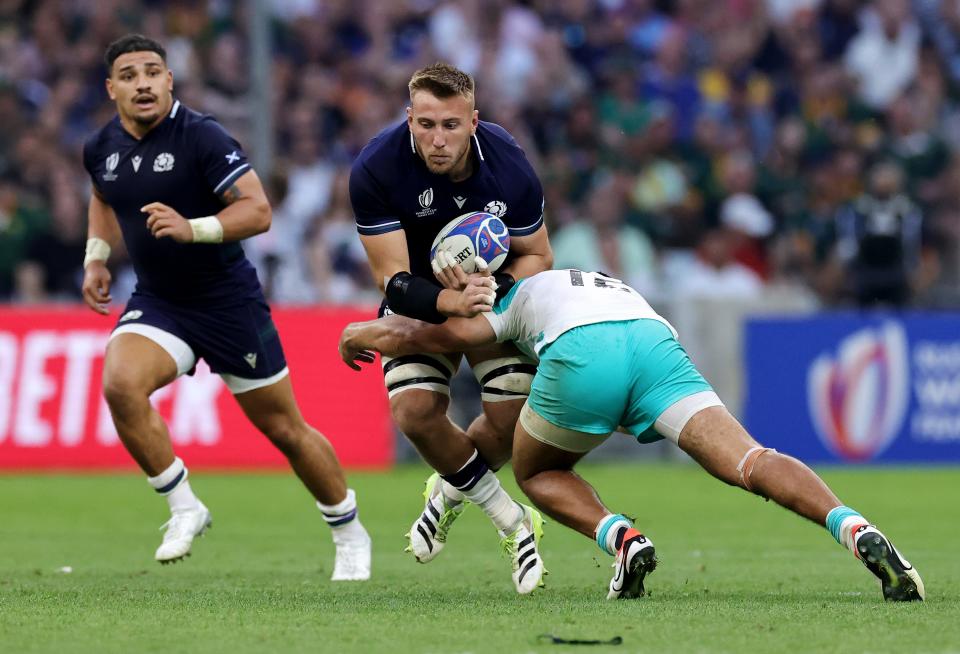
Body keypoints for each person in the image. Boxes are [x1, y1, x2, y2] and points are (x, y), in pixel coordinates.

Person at [338, 269, 925, 602]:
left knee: (537, 472)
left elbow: (436, 337)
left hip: (585, 351)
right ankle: (857, 529)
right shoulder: (584, 275)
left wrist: (362, 331)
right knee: (751, 460)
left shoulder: (510, 302)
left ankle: (623, 541)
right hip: (653, 340)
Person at [80, 34, 370, 580]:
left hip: (227, 304)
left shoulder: (202, 136)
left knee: (286, 430)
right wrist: (97, 258)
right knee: (119, 383)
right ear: (111, 88)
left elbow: (258, 211)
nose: (142, 82)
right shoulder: (101, 147)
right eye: (129, 74)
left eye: (153, 71)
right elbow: (102, 194)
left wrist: (192, 228)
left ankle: (349, 529)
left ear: (169, 80)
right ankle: (184, 505)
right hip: (161, 303)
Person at [349, 62, 553, 593]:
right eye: (425, 125)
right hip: (421, 295)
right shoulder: (377, 167)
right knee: (414, 412)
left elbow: (538, 255)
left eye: (451, 126)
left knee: (512, 419)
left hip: (488, 294)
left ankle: (446, 494)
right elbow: (389, 278)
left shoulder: (509, 165)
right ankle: (513, 519)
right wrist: (448, 301)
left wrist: (492, 291)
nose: (437, 140)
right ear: (409, 118)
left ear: (475, 122)